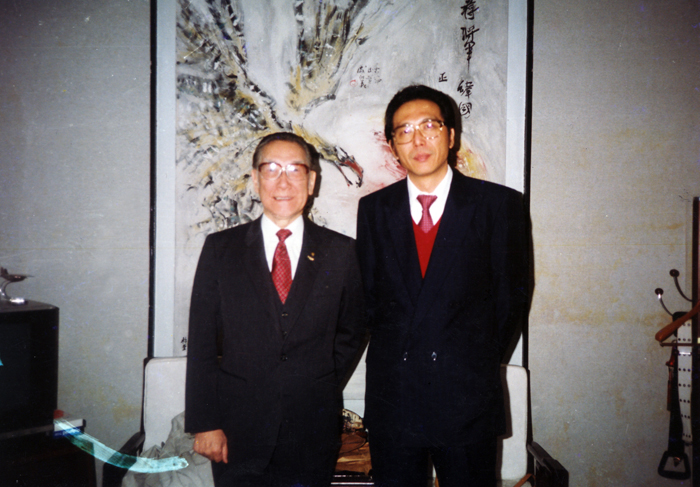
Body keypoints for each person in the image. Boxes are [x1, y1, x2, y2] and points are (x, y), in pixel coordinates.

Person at [356, 85, 528, 487]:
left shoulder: (499, 205)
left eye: (429, 126)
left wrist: (469, 363)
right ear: (392, 145)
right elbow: (369, 302)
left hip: (467, 399)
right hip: (394, 399)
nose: (418, 139)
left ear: (451, 136)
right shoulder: (374, 210)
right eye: (404, 130)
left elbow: (512, 300)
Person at [185, 132, 365, 487]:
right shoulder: (221, 249)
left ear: (312, 181)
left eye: (295, 170)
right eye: (271, 169)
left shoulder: (341, 252)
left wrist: (318, 380)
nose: (283, 182)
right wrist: (205, 422)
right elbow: (202, 340)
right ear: (255, 179)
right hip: (238, 430)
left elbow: (353, 331)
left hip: (312, 428)